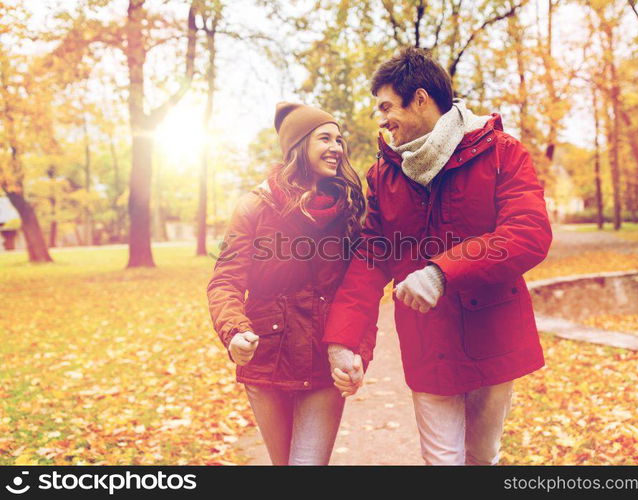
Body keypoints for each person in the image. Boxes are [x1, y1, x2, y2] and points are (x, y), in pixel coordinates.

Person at [322, 47, 553, 465]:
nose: (381, 118)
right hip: (429, 343)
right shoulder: (384, 174)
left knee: (482, 458)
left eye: (387, 106)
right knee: (442, 462)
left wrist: (441, 273)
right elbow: (370, 257)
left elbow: (528, 232)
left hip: (493, 333)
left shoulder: (503, 152)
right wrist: (345, 341)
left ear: (422, 99)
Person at [207, 102, 371, 465]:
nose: (337, 148)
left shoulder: (349, 210)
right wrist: (234, 331)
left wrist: (358, 351)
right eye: (325, 138)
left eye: (339, 140)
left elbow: (361, 289)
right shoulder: (254, 206)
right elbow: (225, 281)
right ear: (298, 146)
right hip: (268, 359)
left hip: (322, 362)